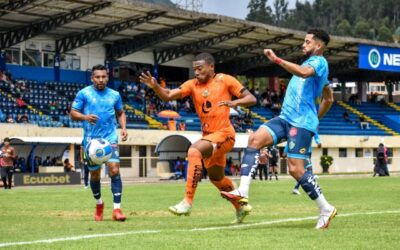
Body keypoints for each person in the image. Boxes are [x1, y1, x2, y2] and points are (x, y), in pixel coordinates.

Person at [221, 29, 337, 229]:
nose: (303, 44)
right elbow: (329, 98)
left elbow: (303, 73)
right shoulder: (313, 67)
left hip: (300, 123)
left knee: (295, 169)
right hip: (286, 118)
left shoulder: (319, 62)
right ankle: (243, 191)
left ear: (318, 46)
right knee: (254, 140)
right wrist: (316, 118)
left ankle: (326, 209)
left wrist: (277, 59)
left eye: (307, 42)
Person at [139, 52, 256, 223]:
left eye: (200, 69)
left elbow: (251, 98)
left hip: (225, 134)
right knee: (216, 178)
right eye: (194, 69)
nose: (197, 72)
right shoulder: (192, 85)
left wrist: (235, 103)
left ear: (211, 67)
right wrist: (155, 86)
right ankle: (240, 207)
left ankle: (187, 202)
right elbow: (169, 95)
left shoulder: (225, 80)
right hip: (209, 137)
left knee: (193, 151)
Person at [70, 64, 128, 222]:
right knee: (94, 175)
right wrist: (85, 117)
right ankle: (99, 204)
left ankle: (117, 210)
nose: (101, 80)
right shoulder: (84, 93)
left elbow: (120, 112)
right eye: (97, 77)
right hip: (91, 142)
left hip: (110, 138)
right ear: (92, 78)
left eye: (104, 77)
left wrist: (123, 127)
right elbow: (73, 113)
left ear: (108, 77)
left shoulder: (115, 95)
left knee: (114, 170)